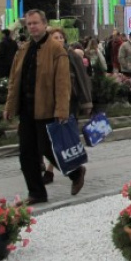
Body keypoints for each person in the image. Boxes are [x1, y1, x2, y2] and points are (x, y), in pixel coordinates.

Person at [3, 10, 86, 205]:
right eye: (29, 24)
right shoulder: (23, 49)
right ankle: (36, 193)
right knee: (27, 154)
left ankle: (76, 172)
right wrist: (9, 106)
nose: (32, 27)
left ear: (44, 24)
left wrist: (62, 110)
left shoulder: (56, 49)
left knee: (49, 149)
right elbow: (14, 81)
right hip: (26, 109)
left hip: (47, 109)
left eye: (36, 23)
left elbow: (63, 82)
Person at [42, 28, 93, 184]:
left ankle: (51, 171)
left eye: (61, 37)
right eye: (55, 37)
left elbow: (82, 79)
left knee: (62, 137)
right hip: (48, 103)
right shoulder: (46, 56)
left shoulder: (72, 56)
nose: (59, 40)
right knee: (50, 137)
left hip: (70, 102)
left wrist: (87, 102)